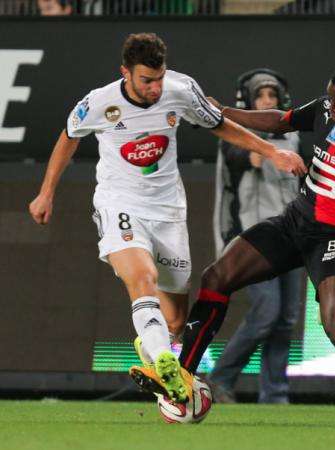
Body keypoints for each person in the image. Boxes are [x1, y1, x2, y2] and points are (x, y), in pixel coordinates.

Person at [135, 61, 335, 426]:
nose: (333, 108)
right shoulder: (330, 107)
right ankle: (183, 375)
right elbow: (281, 119)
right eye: (331, 101)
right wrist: (224, 112)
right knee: (216, 277)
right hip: (295, 220)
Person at [28, 33, 305, 404]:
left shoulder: (181, 89)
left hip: (168, 211)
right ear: (125, 72)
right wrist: (46, 192)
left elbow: (219, 124)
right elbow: (68, 138)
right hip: (119, 203)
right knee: (143, 277)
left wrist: (270, 151)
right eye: (147, 80)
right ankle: (165, 365)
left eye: (159, 78)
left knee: (176, 321)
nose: (156, 87)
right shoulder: (99, 103)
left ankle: (154, 343)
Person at [210, 69, 303, 404]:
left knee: (286, 320)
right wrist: (269, 148)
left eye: (272, 97)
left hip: (292, 235)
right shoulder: (236, 140)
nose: (267, 102)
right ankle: (219, 380)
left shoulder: (294, 138)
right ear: (250, 103)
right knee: (266, 312)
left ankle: (275, 395)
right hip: (254, 239)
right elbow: (245, 157)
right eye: (261, 96)